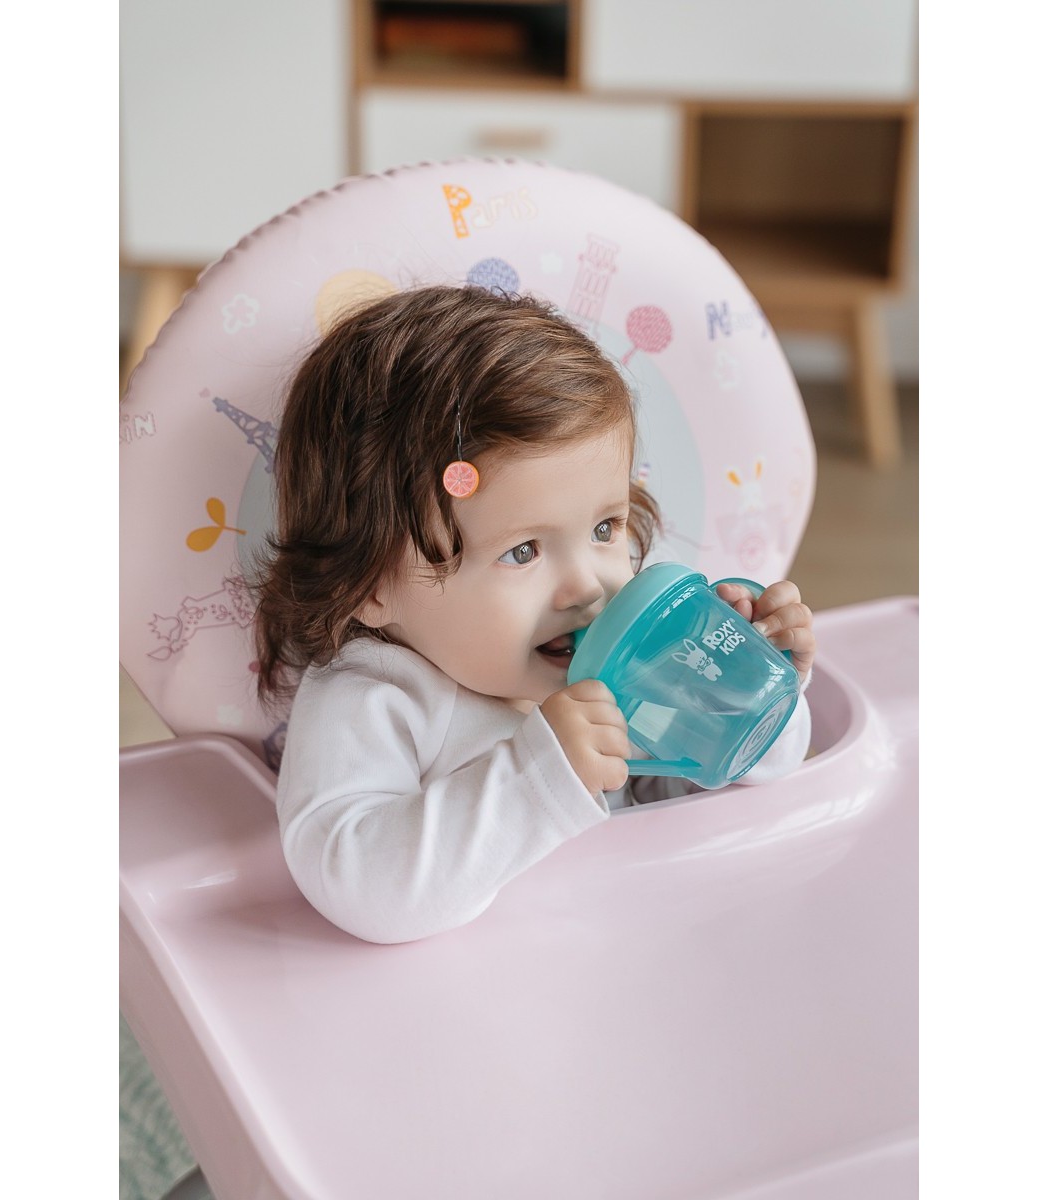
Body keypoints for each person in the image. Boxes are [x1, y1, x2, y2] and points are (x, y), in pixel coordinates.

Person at [254, 285, 816, 944]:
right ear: (370, 586)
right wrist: (541, 779)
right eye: (522, 551)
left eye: (605, 528)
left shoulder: (625, 669)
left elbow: (700, 798)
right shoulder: (374, 699)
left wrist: (752, 687)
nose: (587, 586)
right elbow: (358, 886)